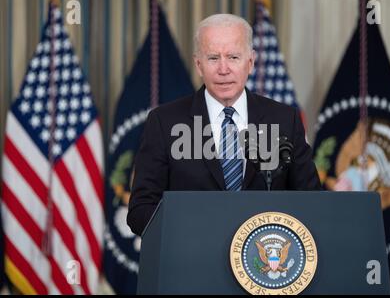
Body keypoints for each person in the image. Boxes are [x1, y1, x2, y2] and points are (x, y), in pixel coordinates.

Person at [127, 14, 321, 236]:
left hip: (265, 261)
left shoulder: (284, 119)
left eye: (233, 57)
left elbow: (312, 202)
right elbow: (140, 211)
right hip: (192, 260)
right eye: (213, 58)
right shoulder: (164, 122)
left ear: (250, 62)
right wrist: (188, 232)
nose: (223, 69)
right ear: (198, 65)